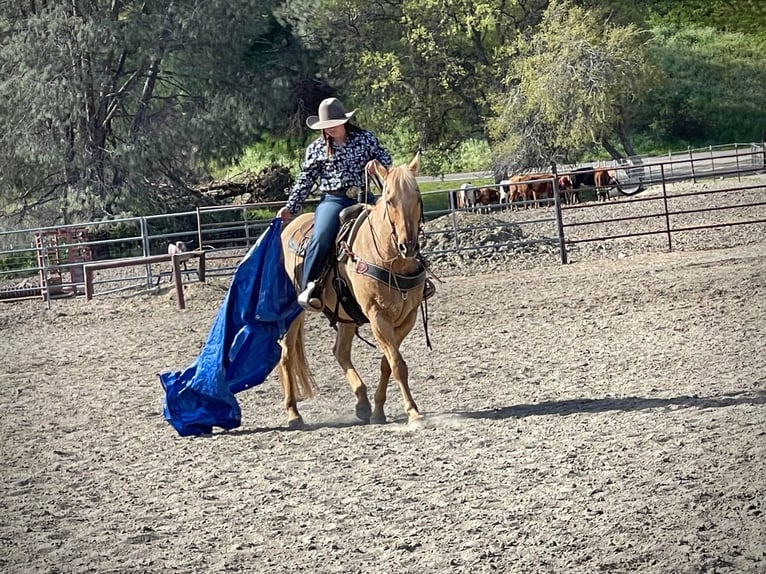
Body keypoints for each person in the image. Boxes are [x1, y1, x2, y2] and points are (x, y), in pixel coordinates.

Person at [277, 97, 393, 312]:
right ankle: (310, 286)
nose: (331, 128)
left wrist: (376, 164)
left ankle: (415, 275)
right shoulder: (317, 149)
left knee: (394, 223)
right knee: (321, 237)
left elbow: (386, 159)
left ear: (344, 121)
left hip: (364, 195)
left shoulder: (365, 139)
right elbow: (305, 180)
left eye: (334, 123)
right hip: (334, 199)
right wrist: (291, 207)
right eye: (326, 126)